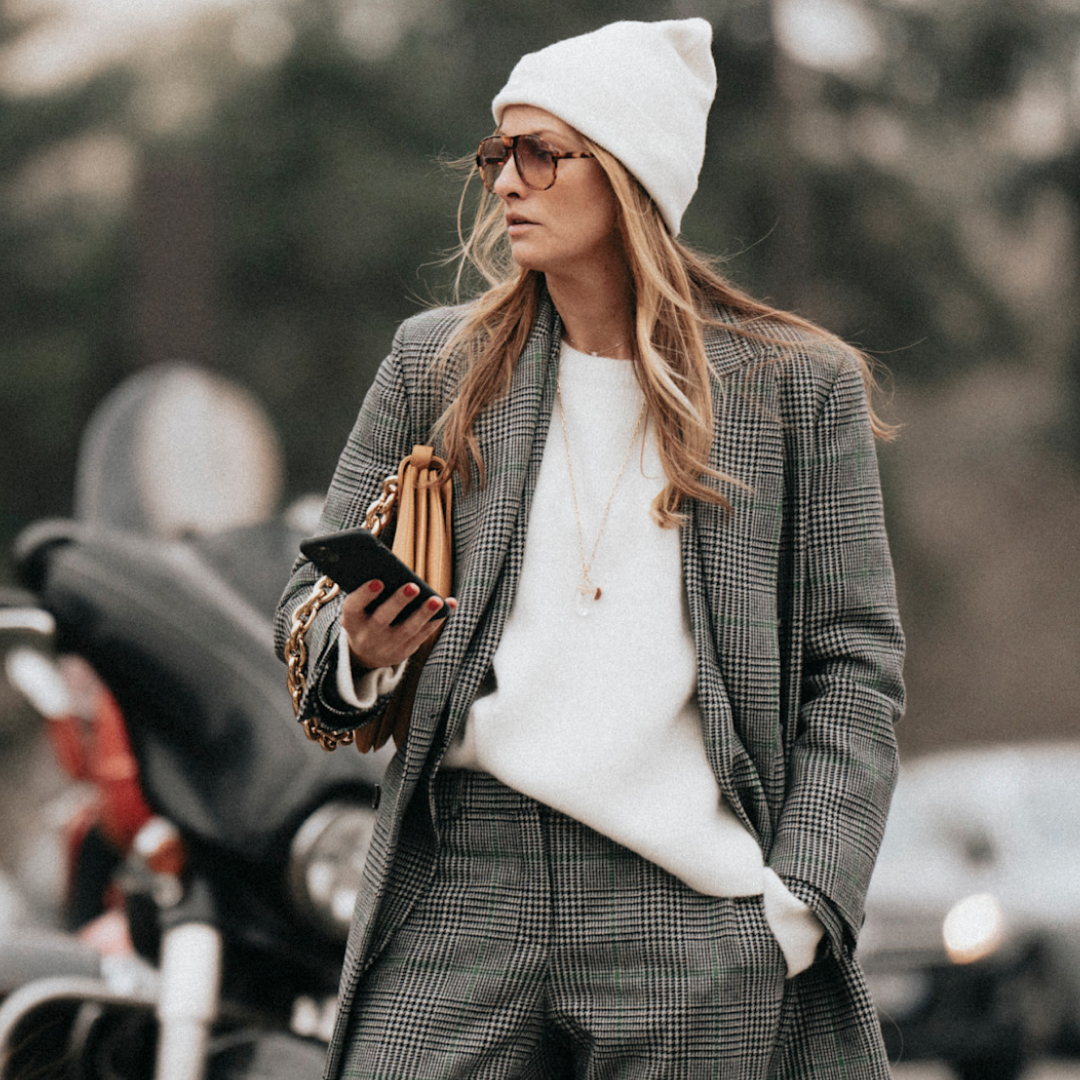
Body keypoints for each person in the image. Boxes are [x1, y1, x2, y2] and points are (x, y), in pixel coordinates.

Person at [274, 17, 905, 1080]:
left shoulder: (797, 391)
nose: (506, 183)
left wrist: (797, 906)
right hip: (462, 880)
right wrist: (362, 647)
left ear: (627, 174)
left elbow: (856, 669)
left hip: (688, 908)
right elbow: (305, 603)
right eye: (496, 155)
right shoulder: (437, 367)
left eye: (539, 153)